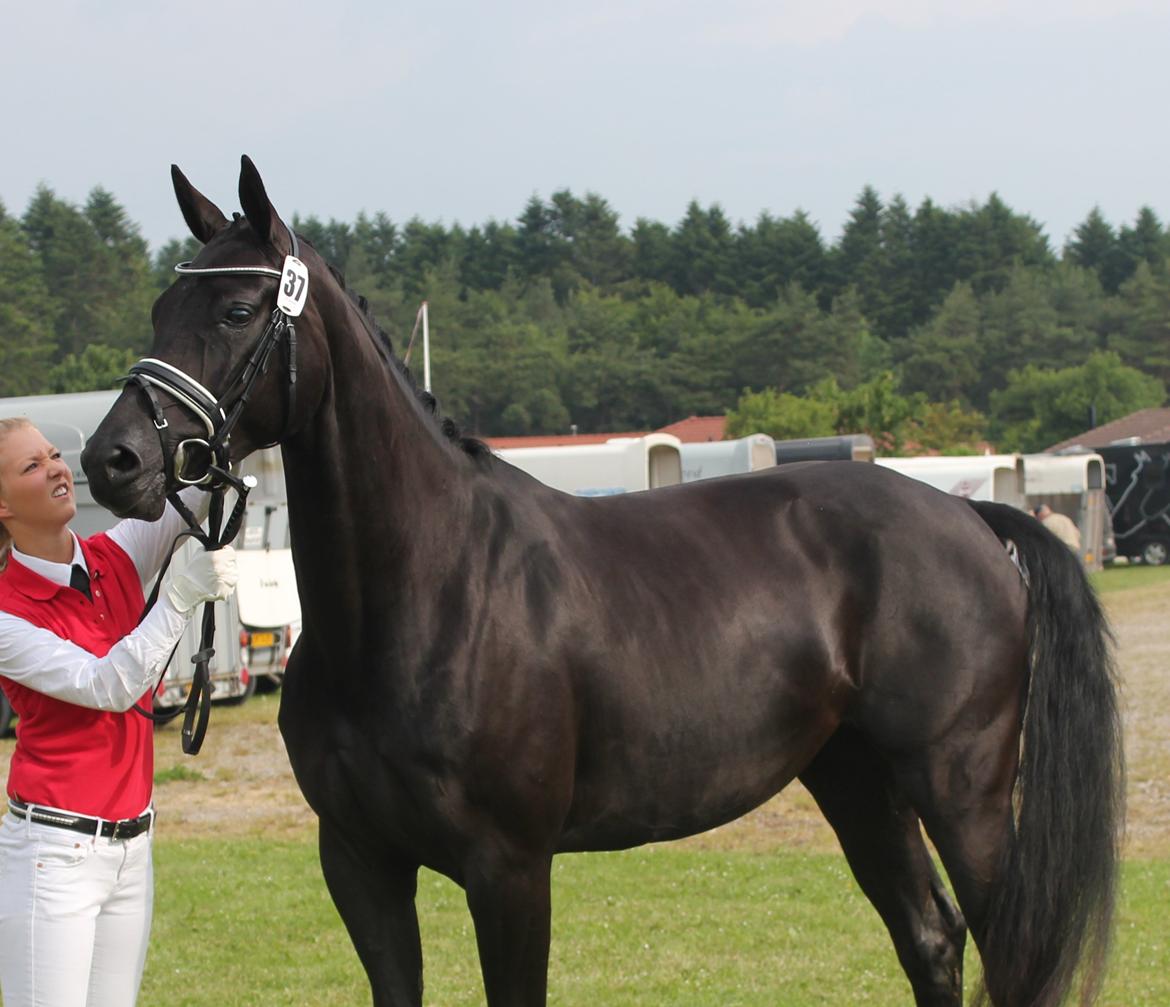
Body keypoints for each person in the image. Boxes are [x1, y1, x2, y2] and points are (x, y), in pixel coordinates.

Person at [0, 417, 238, 1007]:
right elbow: (108, 684)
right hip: (53, 861)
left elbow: (203, 489)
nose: (58, 469)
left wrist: (227, 426)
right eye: (33, 466)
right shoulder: (6, 614)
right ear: (3, 508)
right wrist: (180, 595)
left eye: (53, 455)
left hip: (133, 851)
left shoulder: (115, 552)